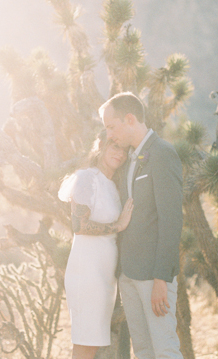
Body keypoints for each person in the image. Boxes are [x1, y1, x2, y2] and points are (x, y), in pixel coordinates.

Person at [99, 92, 184, 359]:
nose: (110, 135)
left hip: (153, 276)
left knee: (165, 348)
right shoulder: (130, 159)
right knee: (144, 351)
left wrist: (161, 278)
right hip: (129, 274)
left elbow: (171, 221)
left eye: (111, 127)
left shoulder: (163, 153)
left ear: (130, 119)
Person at [58, 130, 135, 359]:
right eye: (115, 147)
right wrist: (117, 226)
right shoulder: (86, 178)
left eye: (124, 150)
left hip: (103, 277)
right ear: (100, 145)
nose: (120, 155)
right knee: (84, 345)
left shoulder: (111, 185)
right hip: (87, 274)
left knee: (90, 346)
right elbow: (79, 225)